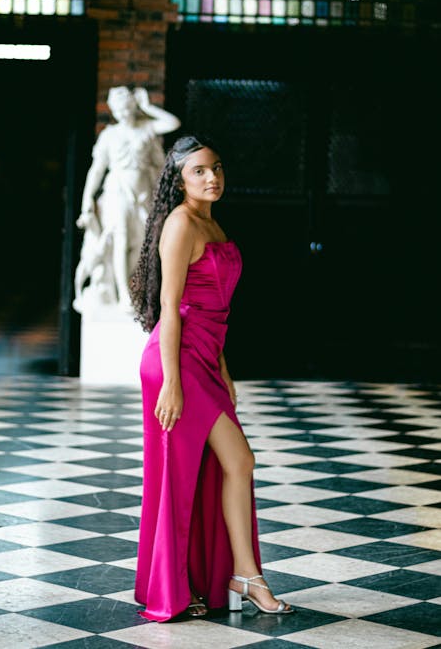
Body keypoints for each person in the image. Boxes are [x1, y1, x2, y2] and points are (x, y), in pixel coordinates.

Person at [130, 135, 294, 622]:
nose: (212, 178)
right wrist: (173, 383)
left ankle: (230, 577)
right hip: (174, 360)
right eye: (199, 170)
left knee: (223, 468)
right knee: (221, 466)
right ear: (179, 178)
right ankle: (225, 580)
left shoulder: (211, 222)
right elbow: (170, 307)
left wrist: (222, 369)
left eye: (217, 168)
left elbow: (216, 312)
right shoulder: (181, 223)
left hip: (205, 359)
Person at [75, 86, 180, 313]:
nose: (122, 113)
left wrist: (148, 107)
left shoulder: (146, 129)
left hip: (142, 194)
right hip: (117, 192)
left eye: (125, 108)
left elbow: (173, 123)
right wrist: (86, 200)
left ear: (132, 106)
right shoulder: (109, 135)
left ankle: (134, 286)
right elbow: (96, 170)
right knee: (120, 240)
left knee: (142, 241)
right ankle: (123, 293)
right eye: (117, 110)